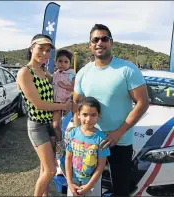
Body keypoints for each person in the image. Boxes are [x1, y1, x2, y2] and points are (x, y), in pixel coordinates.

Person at [72, 24, 149, 196]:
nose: (100, 42)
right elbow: (76, 103)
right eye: (95, 39)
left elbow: (143, 103)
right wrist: (78, 132)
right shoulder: (83, 72)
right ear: (90, 45)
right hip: (90, 141)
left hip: (119, 141)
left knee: (121, 189)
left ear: (111, 42)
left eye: (104, 38)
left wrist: (119, 132)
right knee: (87, 186)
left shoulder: (127, 69)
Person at [16, 34, 72, 197]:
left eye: (48, 51)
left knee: (44, 167)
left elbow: (58, 85)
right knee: (51, 170)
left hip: (51, 123)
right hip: (37, 126)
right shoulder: (25, 73)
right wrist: (64, 106)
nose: (45, 54)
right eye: (41, 48)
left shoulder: (43, 70)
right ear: (31, 48)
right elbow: (39, 104)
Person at [65, 96, 110, 196]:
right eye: (85, 114)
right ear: (78, 114)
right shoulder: (72, 134)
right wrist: (69, 182)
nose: (88, 119)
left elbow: (101, 165)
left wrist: (89, 185)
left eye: (93, 115)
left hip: (93, 183)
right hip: (74, 181)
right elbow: (68, 158)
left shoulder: (101, 138)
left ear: (99, 115)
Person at [52, 49, 76, 159]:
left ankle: (69, 147)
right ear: (56, 62)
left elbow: (77, 88)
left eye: (66, 62)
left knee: (67, 126)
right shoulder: (55, 74)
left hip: (68, 103)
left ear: (69, 64)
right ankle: (59, 143)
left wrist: (64, 86)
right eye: (60, 61)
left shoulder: (71, 74)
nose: (63, 64)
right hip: (56, 103)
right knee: (56, 125)